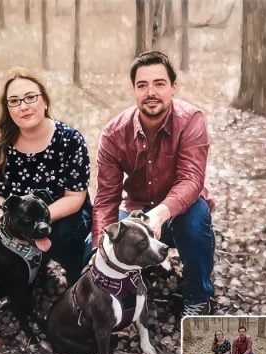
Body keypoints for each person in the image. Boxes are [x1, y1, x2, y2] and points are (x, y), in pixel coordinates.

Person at [90, 51, 215, 318]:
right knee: (92, 249)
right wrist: (98, 248)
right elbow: (106, 198)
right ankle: (120, 299)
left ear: (173, 87)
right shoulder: (114, 132)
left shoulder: (191, 120)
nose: (151, 92)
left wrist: (159, 214)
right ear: (134, 90)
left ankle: (197, 296)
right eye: (142, 85)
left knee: (196, 221)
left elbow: (192, 178)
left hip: (181, 208)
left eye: (159, 83)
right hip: (135, 208)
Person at [0, 66, 91, 285]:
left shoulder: (69, 139)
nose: (23, 106)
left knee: (62, 234)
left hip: (64, 215)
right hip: (19, 218)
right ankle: (23, 281)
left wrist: (33, 222)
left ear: (45, 101)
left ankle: (76, 281)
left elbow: (75, 198)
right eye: (14, 101)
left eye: (31, 97)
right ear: (8, 108)